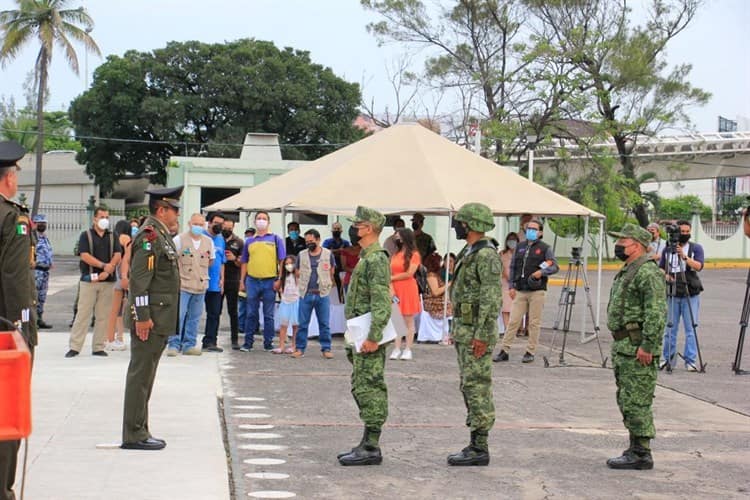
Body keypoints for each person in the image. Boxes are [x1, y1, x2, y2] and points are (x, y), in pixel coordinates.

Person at [121, 185, 183, 451]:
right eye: (174, 210)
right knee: (141, 375)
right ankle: (134, 434)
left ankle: (140, 429)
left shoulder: (160, 234)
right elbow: (139, 282)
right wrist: (142, 317)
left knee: (146, 376)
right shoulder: (149, 236)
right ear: (162, 209)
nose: (177, 215)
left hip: (159, 317)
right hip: (151, 318)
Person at [606, 223, 666, 469]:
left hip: (637, 347)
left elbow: (656, 313)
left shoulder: (648, 273)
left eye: (624, 241)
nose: (619, 245)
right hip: (624, 346)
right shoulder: (630, 269)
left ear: (638, 246)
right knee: (627, 398)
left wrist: (648, 346)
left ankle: (642, 453)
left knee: (637, 400)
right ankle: (635, 447)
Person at [447, 202, 502, 466]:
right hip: (465, 330)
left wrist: (481, 335)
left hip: (475, 334)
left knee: (477, 386)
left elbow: (491, 300)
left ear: (469, 225)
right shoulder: (470, 251)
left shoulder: (486, 255)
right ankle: (475, 442)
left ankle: (480, 447)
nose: (456, 225)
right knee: (469, 384)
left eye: (460, 221)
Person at [338, 206, 391, 466]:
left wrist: (374, 336)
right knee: (361, 385)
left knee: (370, 386)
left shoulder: (376, 258)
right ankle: (366, 442)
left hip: (368, 333)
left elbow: (382, 301)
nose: (354, 229)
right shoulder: (366, 256)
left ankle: (371, 445)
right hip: (359, 330)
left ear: (368, 228)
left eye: (357, 225)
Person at [0, 140, 38, 499]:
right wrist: (22, 329)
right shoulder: (12, 218)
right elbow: (15, 281)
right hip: (5, 332)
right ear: (9, 178)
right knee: (6, 412)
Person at [493, 219, 558, 364]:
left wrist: (542, 272)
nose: (531, 231)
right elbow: (513, 267)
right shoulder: (520, 247)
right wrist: (511, 286)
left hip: (537, 290)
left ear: (540, 232)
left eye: (534, 229)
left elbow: (554, 266)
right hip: (521, 290)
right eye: (529, 228)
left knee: (534, 322)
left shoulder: (545, 248)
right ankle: (504, 350)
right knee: (513, 321)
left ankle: (530, 351)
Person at [66, 206, 123, 358]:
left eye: (107, 217)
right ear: (95, 219)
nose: (105, 220)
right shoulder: (86, 235)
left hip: (108, 281)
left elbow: (118, 254)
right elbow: (84, 255)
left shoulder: (113, 236)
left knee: (103, 315)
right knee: (83, 314)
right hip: (89, 281)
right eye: (102, 216)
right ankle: (75, 347)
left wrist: (108, 271)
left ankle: (98, 346)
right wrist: (103, 266)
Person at [658, 220, 704, 371]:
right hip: (672, 293)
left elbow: (699, 266)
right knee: (670, 328)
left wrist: (684, 256)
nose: (684, 234)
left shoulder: (695, 248)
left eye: (686, 232)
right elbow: (661, 268)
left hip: (690, 292)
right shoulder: (667, 249)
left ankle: (690, 360)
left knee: (691, 328)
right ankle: (667, 359)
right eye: (681, 231)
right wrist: (666, 276)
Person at [166, 213, 213, 356]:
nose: (198, 227)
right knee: (178, 316)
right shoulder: (179, 240)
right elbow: (171, 260)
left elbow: (210, 260)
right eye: (195, 224)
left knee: (195, 317)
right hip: (183, 284)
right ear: (189, 223)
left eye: (200, 224)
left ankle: (189, 344)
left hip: (200, 285)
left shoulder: (208, 241)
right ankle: (174, 344)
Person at [239, 211, 286, 352]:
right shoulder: (249, 241)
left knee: (268, 314)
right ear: (254, 222)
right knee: (251, 313)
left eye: (264, 218)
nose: (261, 221)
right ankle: (248, 343)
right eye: (258, 218)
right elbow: (244, 262)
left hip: (270, 281)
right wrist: (242, 280)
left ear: (268, 222)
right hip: (252, 280)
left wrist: (279, 279)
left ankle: (268, 342)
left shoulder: (276, 239)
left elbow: (282, 261)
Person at [292, 229, 336, 359]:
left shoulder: (328, 254)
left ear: (318, 240)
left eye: (311, 241)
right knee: (303, 323)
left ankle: (326, 348)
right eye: (307, 242)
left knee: (324, 323)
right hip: (306, 293)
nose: (309, 243)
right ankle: (300, 348)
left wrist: (327, 282)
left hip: (322, 294)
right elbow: (297, 270)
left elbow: (332, 270)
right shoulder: (302, 254)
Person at [389, 228, 422, 360]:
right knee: (396, 319)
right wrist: (391, 288)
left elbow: (409, 273)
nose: (396, 236)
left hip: (408, 289)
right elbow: (390, 272)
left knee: (408, 320)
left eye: (398, 234)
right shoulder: (395, 254)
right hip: (395, 289)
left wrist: (391, 279)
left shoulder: (414, 254)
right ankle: (396, 348)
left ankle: (408, 349)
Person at [106, 220, 133, 351]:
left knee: (115, 310)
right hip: (121, 276)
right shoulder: (126, 238)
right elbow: (128, 257)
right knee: (117, 310)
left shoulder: (112, 238)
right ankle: (113, 338)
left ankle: (115, 338)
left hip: (113, 275)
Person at [202, 212, 227, 352]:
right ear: (209, 223)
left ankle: (210, 341)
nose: (219, 226)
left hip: (215, 284)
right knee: (191, 313)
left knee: (214, 313)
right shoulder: (202, 237)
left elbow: (222, 261)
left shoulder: (221, 239)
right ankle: (185, 340)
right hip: (200, 281)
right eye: (216, 223)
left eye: (221, 224)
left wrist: (222, 279)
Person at [419, 252, 453, 345]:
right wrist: (449, 284)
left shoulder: (436, 275)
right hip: (434, 303)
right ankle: (449, 334)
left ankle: (449, 333)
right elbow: (436, 292)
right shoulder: (431, 276)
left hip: (439, 301)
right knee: (454, 308)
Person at [222, 219, 244, 349]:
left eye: (230, 228)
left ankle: (234, 340)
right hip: (218, 280)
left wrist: (234, 258)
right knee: (214, 311)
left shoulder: (239, 242)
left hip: (233, 279)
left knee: (233, 311)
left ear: (234, 227)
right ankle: (211, 339)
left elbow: (242, 263)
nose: (227, 230)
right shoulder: (217, 239)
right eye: (225, 227)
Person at [274, 255, 300, 354]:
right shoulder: (283, 277)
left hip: (296, 302)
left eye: (291, 263)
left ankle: (294, 345)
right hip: (285, 302)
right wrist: (280, 275)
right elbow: (276, 287)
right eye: (286, 264)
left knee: (295, 326)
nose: (289, 266)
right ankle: (281, 346)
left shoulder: (298, 276)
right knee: (283, 325)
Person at [33, 213, 54, 329]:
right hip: (37, 271)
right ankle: (34, 320)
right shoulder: (33, 237)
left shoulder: (44, 237)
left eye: (44, 223)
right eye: (40, 223)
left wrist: (50, 263)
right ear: (35, 224)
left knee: (42, 296)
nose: (42, 225)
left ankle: (40, 318)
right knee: (34, 297)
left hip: (45, 272)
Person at [237, 227, 256, 345]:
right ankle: (241, 325)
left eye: (250, 235)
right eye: (246, 235)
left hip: (254, 280)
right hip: (244, 279)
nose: (248, 237)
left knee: (253, 307)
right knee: (242, 305)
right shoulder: (242, 248)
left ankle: (254, 327)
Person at [323, 221, 351, 302]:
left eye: (338, 229)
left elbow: (348, 252)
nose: (336, 230)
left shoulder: (345, 242)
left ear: (341, 230)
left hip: (343, 270)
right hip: (331, 271)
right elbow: (325, 252)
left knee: (343, 290)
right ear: (331, 230)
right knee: (333, 292)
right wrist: (339, 251)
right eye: (334, 229)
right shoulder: (327, 242)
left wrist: (334, 251)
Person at [500, 232, 519, 331]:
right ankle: (507, 330)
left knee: (515, 309)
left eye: (514, 240)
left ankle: (513, 330)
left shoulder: (520, 253)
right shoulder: (502, 254)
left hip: (517, 284)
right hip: (505, 284)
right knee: (506, 308)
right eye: (510, 240)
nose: (512, 242)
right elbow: (501, 268)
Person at [341, 225, 362, 294]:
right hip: (349, 281)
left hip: (362, 282)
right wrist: (355, 271)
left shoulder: (365, 250)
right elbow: (344, 267)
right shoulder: (345, 251)